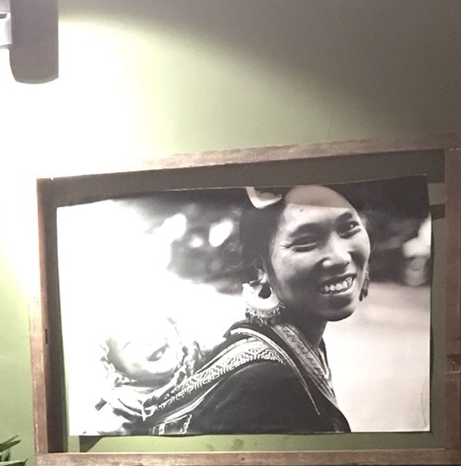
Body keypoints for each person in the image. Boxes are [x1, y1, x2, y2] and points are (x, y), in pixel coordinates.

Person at [123, 185, 369, 435]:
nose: (340, 257)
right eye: (306, 241)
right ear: (260, 268)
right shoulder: (270, 384)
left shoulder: (292, 346)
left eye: (349, 228)